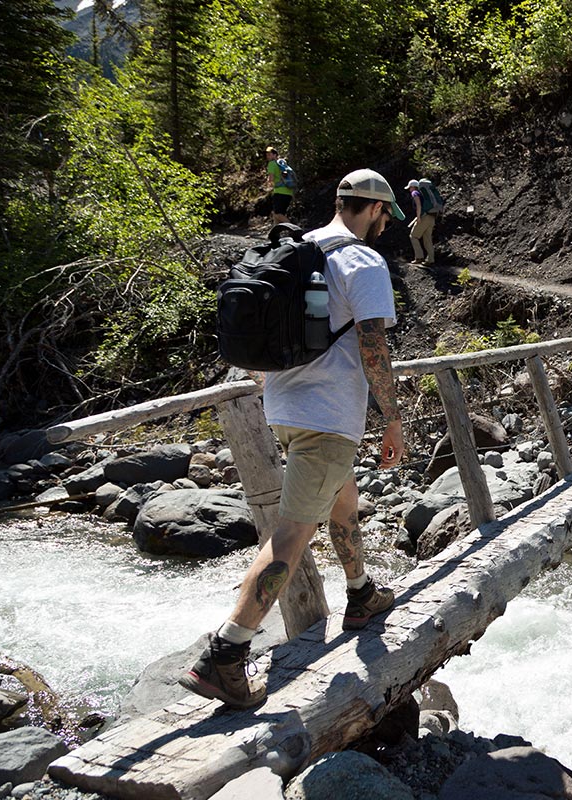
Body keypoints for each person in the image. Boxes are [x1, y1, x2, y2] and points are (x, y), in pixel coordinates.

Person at [180, 168, 410, 709]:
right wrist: (393, 418)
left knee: (342, 498)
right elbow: (372, 342)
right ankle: (225, 653)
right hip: (329, 413)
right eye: (384, 216)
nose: (384, 227)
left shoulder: (297, 248)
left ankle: (360, 593)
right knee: (293, 532)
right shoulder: (362, 260)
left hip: (284, 404)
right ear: (376, 210)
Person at [406, 179, 436, 266]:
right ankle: (430, 259)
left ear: (412, 187)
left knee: (413, 236)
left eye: (410, 188)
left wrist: (418, 217)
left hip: (424, 217)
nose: (409, 190)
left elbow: (418, 205)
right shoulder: (424, 194)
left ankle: (419, 257)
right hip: (431, 217)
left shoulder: (415, 193)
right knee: (427, 239)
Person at [264, 146, 294, 225]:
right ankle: (275, 235)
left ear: (275, 155)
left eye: (270, 154)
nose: (268, 156)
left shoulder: (271, 164)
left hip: (280, 192)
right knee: (276, 214)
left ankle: (294, 229)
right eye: (267, 154)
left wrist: (268, 185)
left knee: (278, 214)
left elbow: (271, 178)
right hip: (289, 192)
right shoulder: (282, 164)